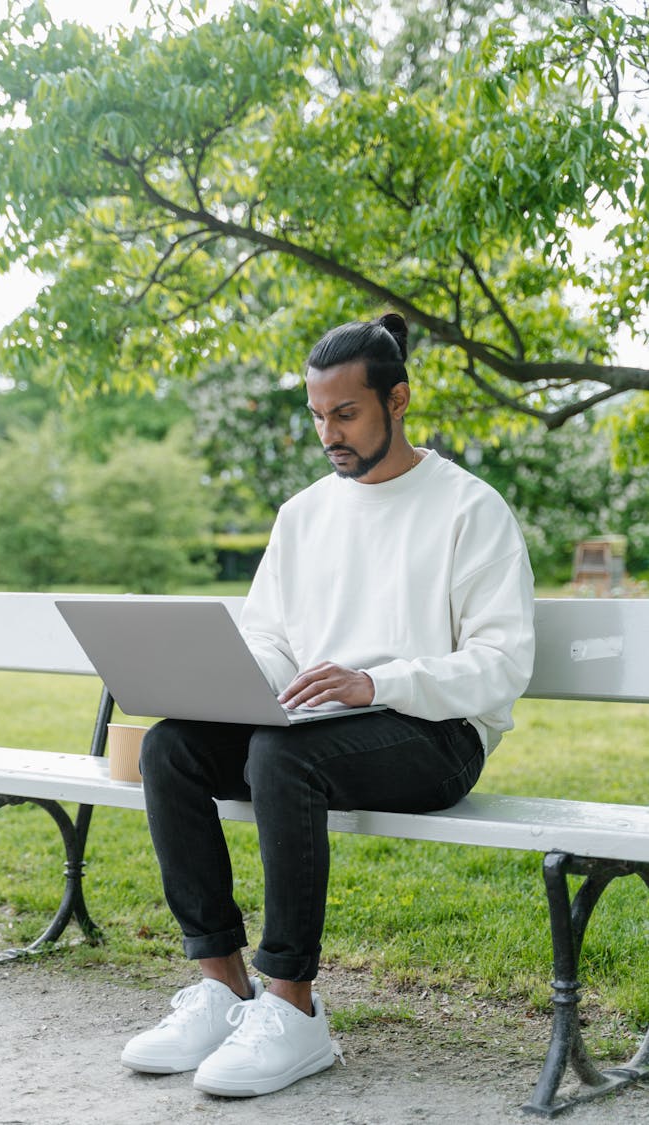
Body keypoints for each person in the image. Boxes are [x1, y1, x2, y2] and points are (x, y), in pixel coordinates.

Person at [121, 312, 535, 1098]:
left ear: (399, 398)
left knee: (282, 757)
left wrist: (375, 682)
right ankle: (222, 990)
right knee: (169, 746)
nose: (328, 434)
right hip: (316, 725)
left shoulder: (468, 508)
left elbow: (500, 664)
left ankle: (293, 1007)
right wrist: (238, 682)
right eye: (317, 415)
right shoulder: (304, 514)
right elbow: (271, 636)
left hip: (436, 733)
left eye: (345, 413)